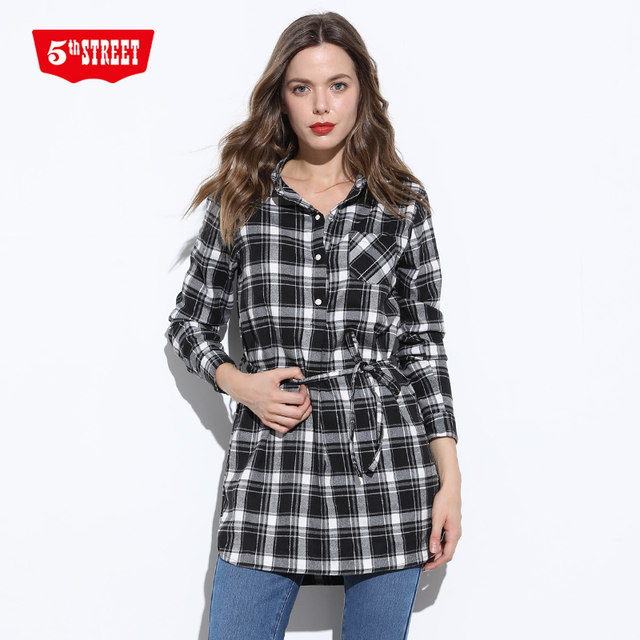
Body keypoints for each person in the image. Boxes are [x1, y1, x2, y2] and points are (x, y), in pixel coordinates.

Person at [166, 11, 462, 640]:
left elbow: (424, 348)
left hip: (384, 466)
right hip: (273, 461)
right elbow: (189, 321)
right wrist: (239, 384)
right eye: (302, 88)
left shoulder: (401, 205)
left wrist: (451, 481)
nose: (321, 105)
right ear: (282, 97)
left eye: (338, 85)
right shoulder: (241, 200)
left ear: (363, 92)